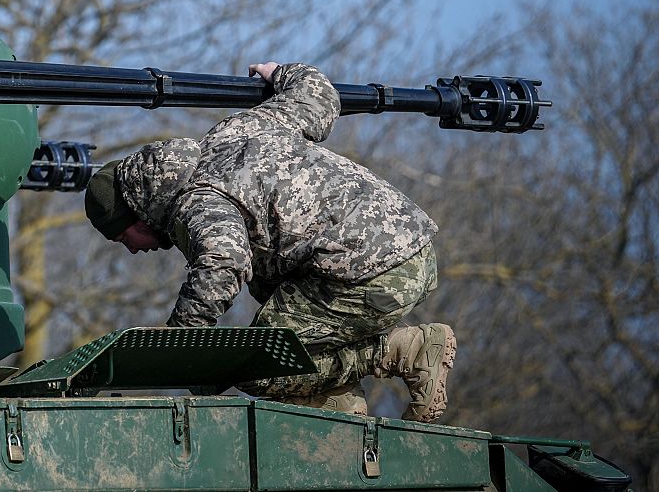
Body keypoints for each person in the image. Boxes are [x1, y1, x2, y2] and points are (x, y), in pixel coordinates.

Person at [85, 61, 456, 421]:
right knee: (271, 298)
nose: (133, 248)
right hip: (414, 246)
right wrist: (281, 72)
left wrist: (178, 344)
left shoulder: (194, 199)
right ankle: (332, 400)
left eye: (123, 237)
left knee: (254, 365)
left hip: (371, 277)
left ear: (137, 211)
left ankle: (399, 352)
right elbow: (318, 98)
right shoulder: (236, 131)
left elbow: (223, 261)